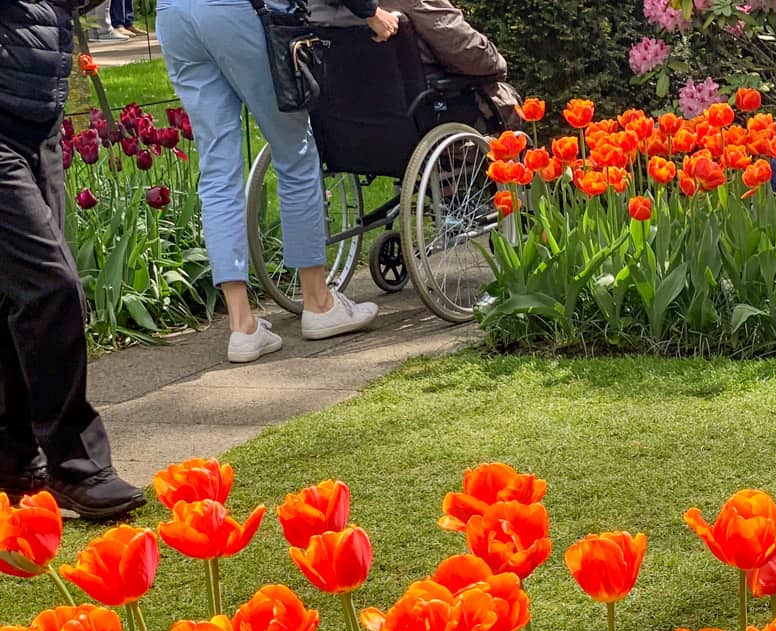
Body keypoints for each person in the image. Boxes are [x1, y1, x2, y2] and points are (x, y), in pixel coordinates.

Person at [156, 0, 389, 364]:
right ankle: (318, 303)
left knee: (217, 169)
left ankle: (242, 326)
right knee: (294, 151)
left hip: (173, 15)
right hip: (239, 11)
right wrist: (370, 12)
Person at [0, 0, 147, 516]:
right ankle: (76, 466)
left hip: (38, 118)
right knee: (52, 287)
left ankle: (14, 461)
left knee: (21, 295)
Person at [305, 0, 523, 129]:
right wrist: (497, 63)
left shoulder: (311, 7)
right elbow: (469, 53)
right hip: (419, 117)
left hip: (345, 124)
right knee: (504, 101)